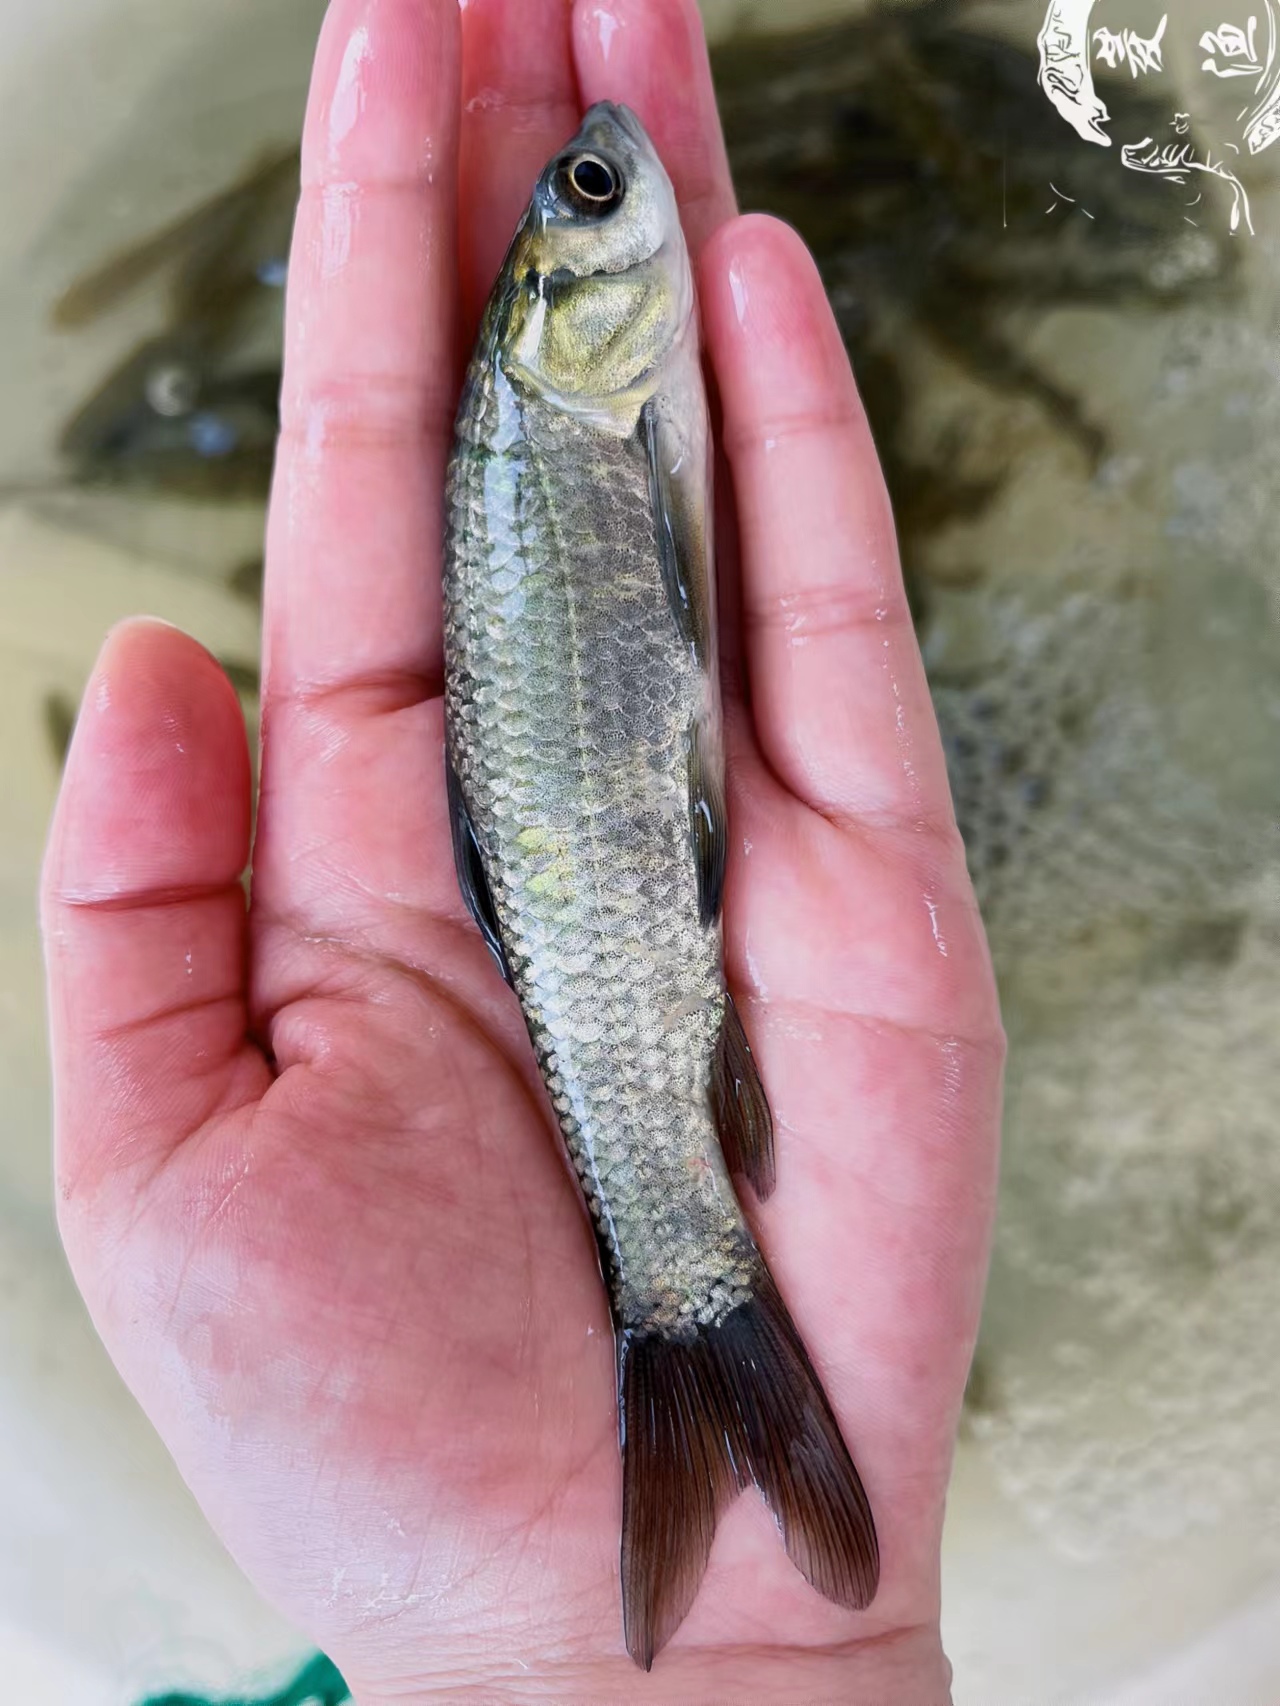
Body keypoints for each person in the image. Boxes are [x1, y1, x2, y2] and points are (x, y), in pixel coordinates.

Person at [40, 0, 1004, 1699]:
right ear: (564, 319)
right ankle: (687, 1305)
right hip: (605, 879)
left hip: (600, 866)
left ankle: (691, 1316)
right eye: (582, 195)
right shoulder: (564, 406)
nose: (604, 190)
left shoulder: (569, 404)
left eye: (576, 193)